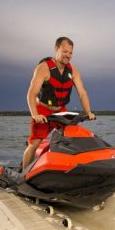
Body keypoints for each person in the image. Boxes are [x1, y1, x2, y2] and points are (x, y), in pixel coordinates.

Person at [22, 36, 96, 170]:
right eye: (65, 51)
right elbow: (31, 94)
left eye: (70, 52)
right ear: (57, 49)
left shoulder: (73, 71)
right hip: (43, 111)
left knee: (70, 138)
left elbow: (82, 93)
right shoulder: (43, 68)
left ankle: (63, 168)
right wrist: (35, 114)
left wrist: (89, 112)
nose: (67, 55)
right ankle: (24, 175)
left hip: (61, 110)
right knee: (34, 143)